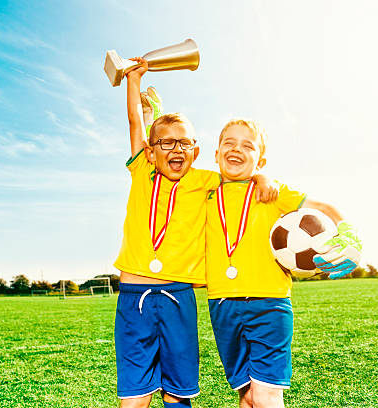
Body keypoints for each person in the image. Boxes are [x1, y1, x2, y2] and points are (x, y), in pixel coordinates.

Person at [113, 60, 276, 408]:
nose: (175, 150)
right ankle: (155, 112)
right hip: (134, 296)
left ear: (196, 151)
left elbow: (240, 169)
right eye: (166, 143)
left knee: (178, 391)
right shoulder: (142, 171)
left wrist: (265, 177)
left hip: (179, 296)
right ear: (151, 150)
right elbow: (133, 123)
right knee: (135, 396)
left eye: (184, 144)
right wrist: (134, 79)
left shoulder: (203, 179)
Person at [205, 119, 362, 408]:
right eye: (229, 143)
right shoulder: (203, 193)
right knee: (248, 394)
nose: (236, 149)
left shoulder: (273, 193)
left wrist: (348, 231)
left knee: (267, 395)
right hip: (222, 303)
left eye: (247, 145)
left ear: (260, 160)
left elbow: (325, 208)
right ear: (215, 153)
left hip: (269, 303)